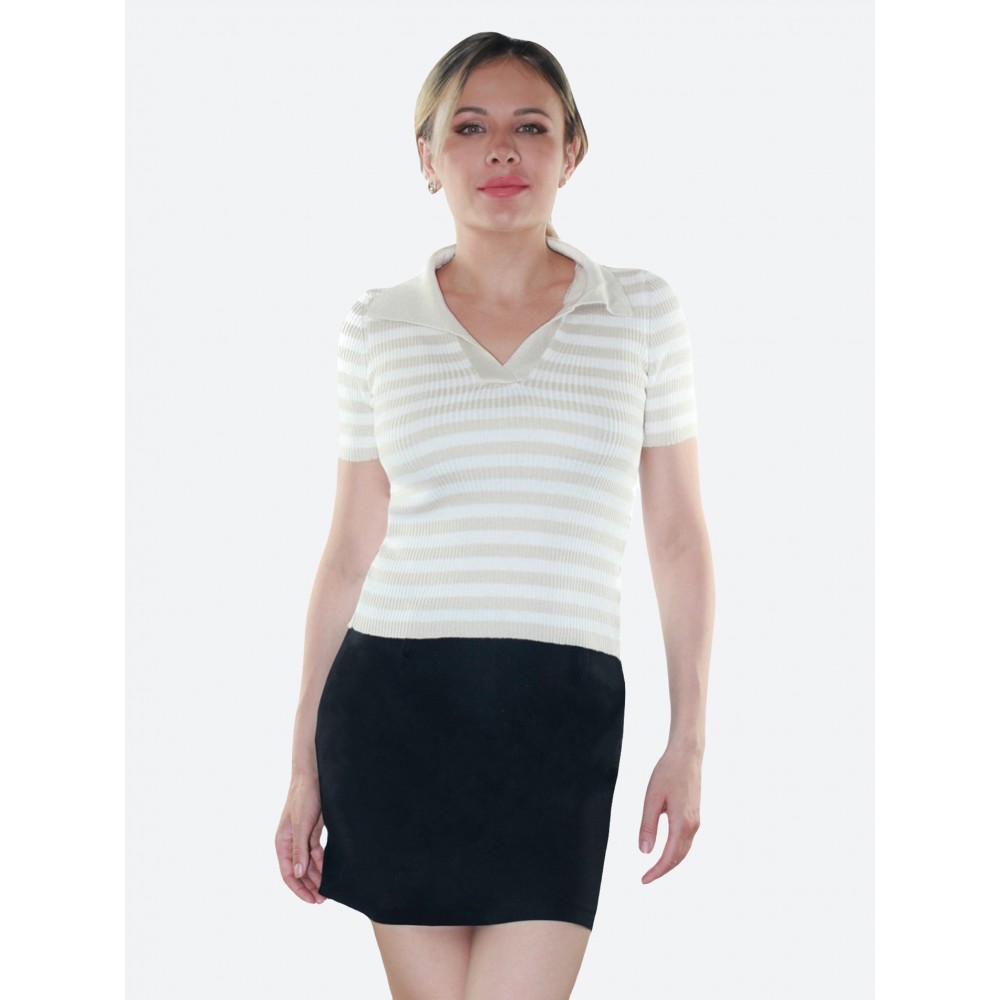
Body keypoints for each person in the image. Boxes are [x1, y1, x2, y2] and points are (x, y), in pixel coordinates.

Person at [275, 30, 715, 1000]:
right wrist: (302, 765)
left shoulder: (640, 313)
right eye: (469, 128)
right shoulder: (378, 324)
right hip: (395, 709)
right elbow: (348, 551)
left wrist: (688, 739)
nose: (502, 150)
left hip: (560, 715)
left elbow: (679, 539)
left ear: (572, 151)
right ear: (428, 157)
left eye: (532, 127)